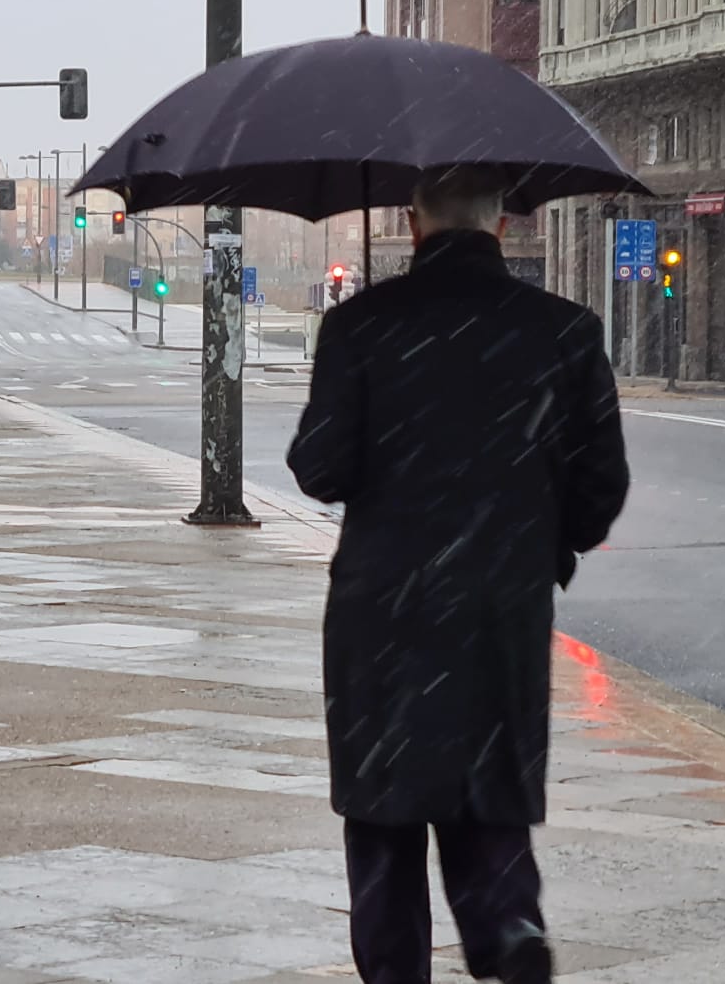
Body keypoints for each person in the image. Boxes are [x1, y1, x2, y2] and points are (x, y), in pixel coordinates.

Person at [286, 165, 630, 984]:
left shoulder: (361, 326)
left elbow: (320, 469)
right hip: (499, 608)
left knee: (384, 815)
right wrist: (541, 539)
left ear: (414, 224)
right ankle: (508, 930)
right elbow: (600, 490)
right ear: (502, 226)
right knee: (490, 798)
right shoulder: (566, 332)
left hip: (383, 613)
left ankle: (395, 966)